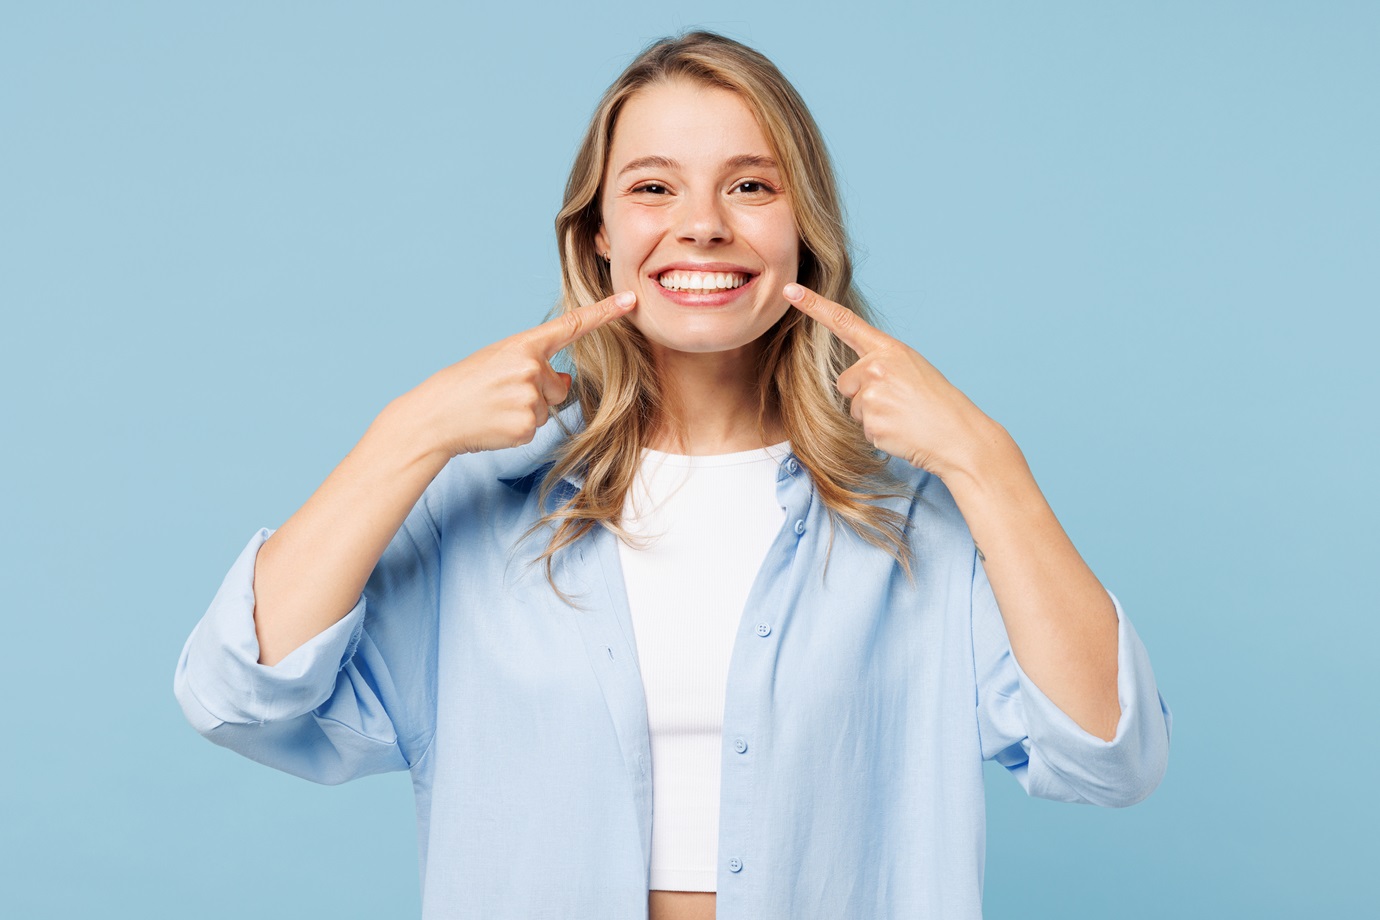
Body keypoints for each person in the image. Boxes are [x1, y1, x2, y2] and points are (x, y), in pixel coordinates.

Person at [174, 29, 1171, 920]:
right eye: (654, 186)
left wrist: (987, 461)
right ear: (597, 233)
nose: (702, 225)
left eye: (750, 183)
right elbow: (237, 694)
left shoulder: (921, 524)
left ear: (802, 230)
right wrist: (408, 432)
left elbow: (1109, 756)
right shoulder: (485, 516)